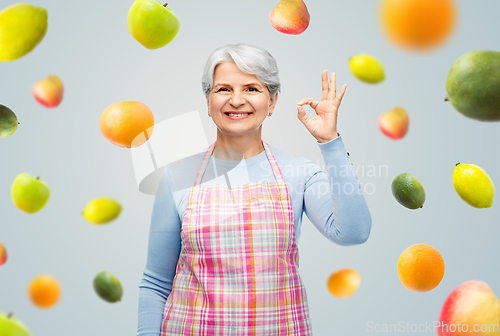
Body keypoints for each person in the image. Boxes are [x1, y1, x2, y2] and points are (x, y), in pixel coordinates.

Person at [137, 43, 372, 336]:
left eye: (252, 89)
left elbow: (354, 232)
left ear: (272, 102)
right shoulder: (177, 176)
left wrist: (330, 143)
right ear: (208, 101)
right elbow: (156, 282)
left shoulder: (298, 173)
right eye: (223, 89)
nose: (236, 100)